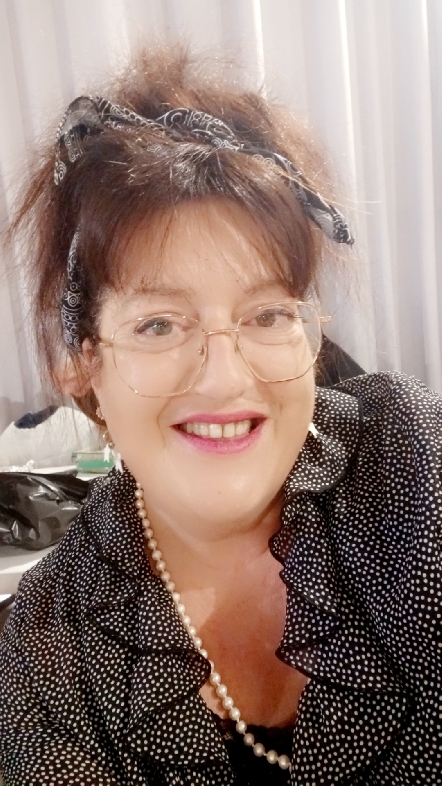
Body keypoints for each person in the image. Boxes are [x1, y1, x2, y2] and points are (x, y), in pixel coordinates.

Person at [0, 48, 440, 786]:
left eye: (267, 314)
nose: (227, 378)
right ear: (83, 362)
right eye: (158, 324)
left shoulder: (411, 465)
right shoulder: (50, 641)